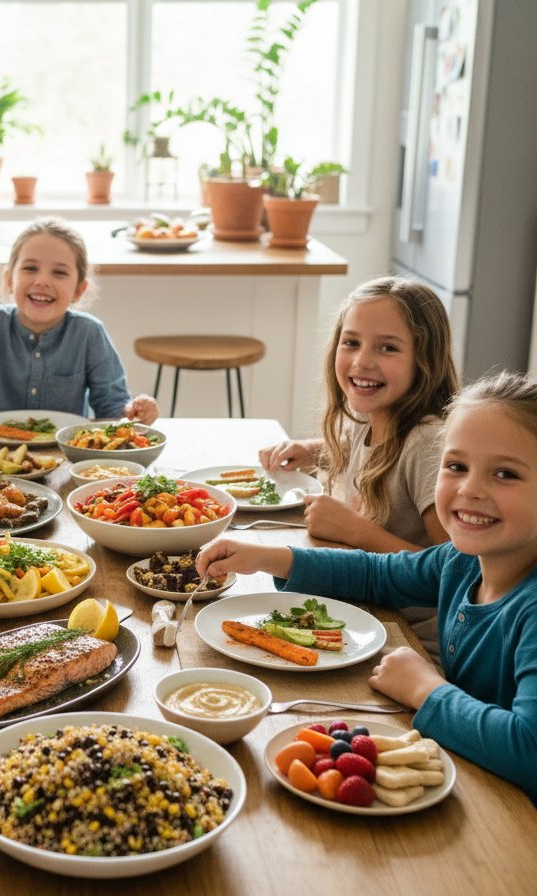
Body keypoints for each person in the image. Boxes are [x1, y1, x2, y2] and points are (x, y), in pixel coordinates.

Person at [197, 371, 537, 804]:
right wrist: (267, 557)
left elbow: (529, 752)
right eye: (456, 466)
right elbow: (377, 574)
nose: (470, 489)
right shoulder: (463, 560)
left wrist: (425, 689)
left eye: (505, 474)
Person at [260, 276, 458, 554]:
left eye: (388, 347)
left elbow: (453, 569)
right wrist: (313, 451)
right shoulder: (369, 416)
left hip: (394, 599)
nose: (362, 361)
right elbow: (369, 452)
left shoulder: (426, 443)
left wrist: (355, 530)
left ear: (425, 359)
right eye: (351, 342)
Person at [0, 217, 159, 422]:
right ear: (9, 279)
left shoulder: (89, 333)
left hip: (61, 461)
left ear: (79, 290)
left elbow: (112, 408)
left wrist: (134, 412)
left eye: (59, 272)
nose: (43, 280)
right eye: (30, 268)